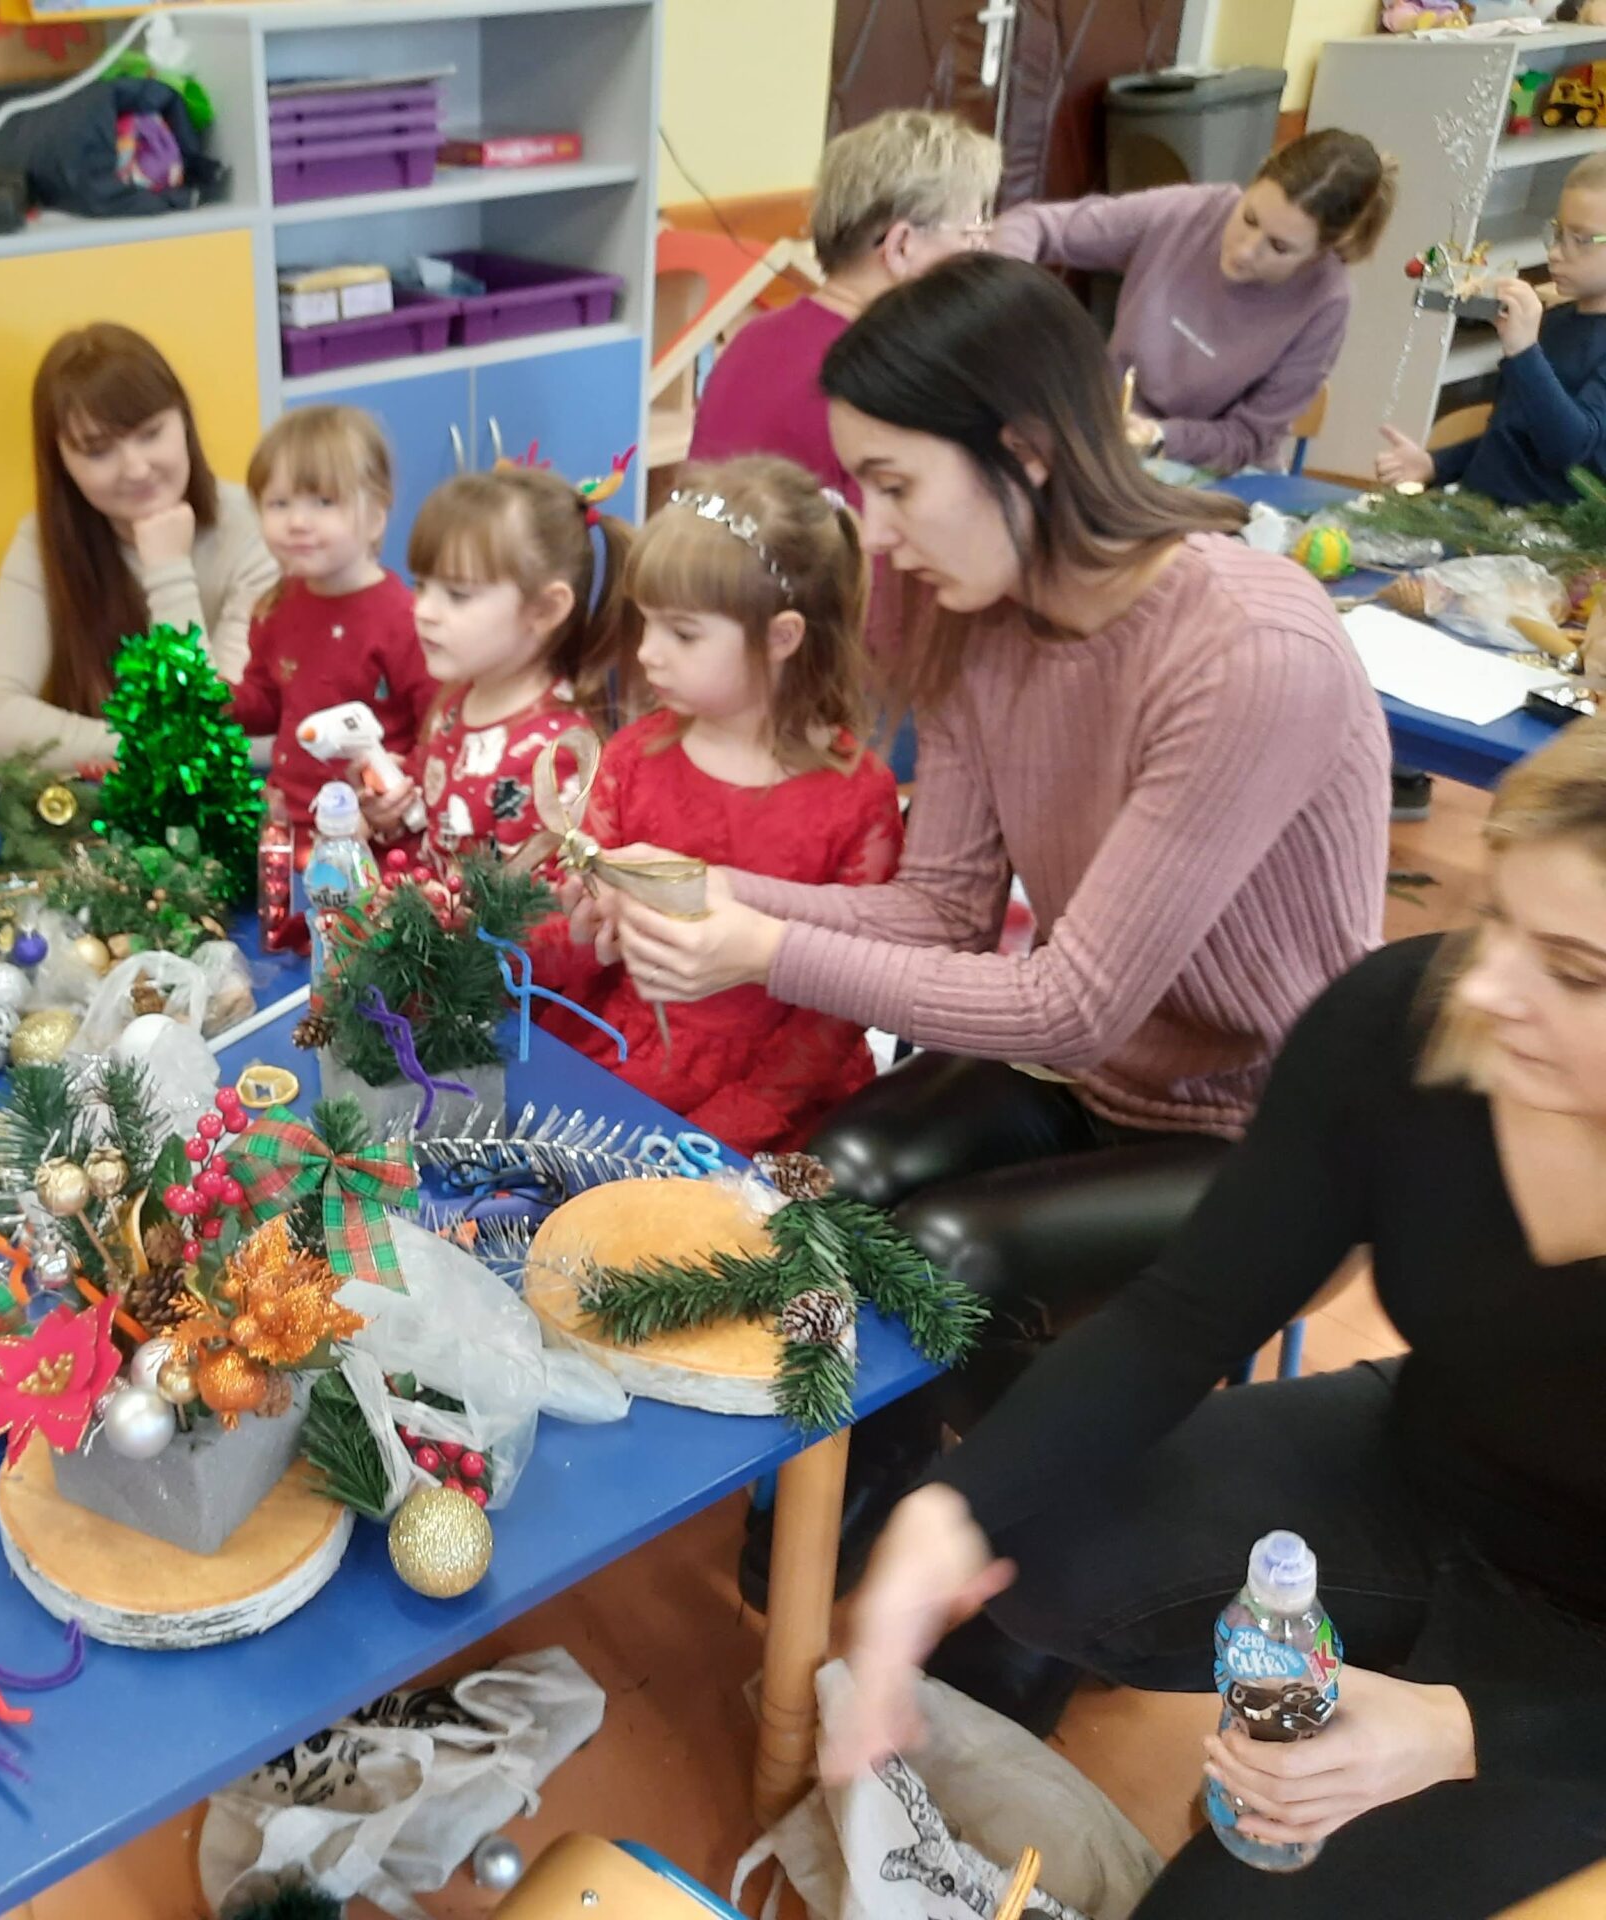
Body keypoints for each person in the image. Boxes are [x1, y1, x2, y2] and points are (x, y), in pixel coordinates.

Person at [587, 255, 1390, 1584]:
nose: (876, 533)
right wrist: (712, 886)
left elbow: (1074, 1003)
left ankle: (1044, 1570)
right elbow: (946, 909)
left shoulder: (1248, 654)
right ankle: (869, 1484)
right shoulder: (971, 612)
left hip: (1272, 1128)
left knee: (954, 1255)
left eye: (895, 485)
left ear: (1023, 451)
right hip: (1093, 1076)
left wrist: (762, 946)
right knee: (836, 1173)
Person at [831, 715, 1606, 1919]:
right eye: (1497, 916)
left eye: (1577, 971)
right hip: (1427, 1466)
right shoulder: (1403, 1021)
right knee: (1043, 1543)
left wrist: (1464, 1731)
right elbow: (1185, 1310)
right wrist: (952, 1508)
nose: (1488, 986)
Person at [532, 458, 902, 1155]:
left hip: (779, 1098)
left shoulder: (859, 797)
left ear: (782, 637)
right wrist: (571, 923)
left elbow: (834, 1012)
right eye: (646, 624)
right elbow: (568, 949)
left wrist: (727, 1125)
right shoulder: (633, 757)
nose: (647, 653)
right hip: (628, 1055)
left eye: (683, 633)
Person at [0, 323, 276, 773]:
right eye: (98, 451)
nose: (136, 468)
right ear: (62, 463)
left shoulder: (258, 528)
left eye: (150, 433)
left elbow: (214, 722)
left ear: (184, 422)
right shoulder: (42, 542)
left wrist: (168, 570)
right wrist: (146, 748)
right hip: (107, 793)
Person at [996, 128, 1396, 476]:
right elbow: (1032, 223)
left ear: (1320, 252)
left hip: (1216, 474)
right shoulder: (1189, 213)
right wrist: (1002, 301)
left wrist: (1159, 436)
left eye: (1279, 247)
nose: (1245, 250)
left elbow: (1247, 438)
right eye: (1249, 218)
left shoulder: (1327, 301)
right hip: (1107, 441)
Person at [690, 108, 1003, 498]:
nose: (980, 254)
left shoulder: (753, 337)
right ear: (901, 246)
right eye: (972, 234)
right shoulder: (886, 378)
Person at [364, 466, 636, 870]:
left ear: (544, 610)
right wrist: (392, 814)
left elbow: (531, 905)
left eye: (458, 594)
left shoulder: (553, 757)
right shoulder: (457, 699)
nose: (423, 611)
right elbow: (433, 825)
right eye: (421, 585)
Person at [230, 406, 436, 830]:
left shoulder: (406, 620)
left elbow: (438, 733)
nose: (297, 522)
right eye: (278, 503)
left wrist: (395, 799)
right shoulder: (275, 606)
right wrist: (209, 698)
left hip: (377, 837)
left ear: (375, 516)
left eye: (324, 502)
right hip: (289, 824)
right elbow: (268, 704)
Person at [1377, 151, 1606, 506]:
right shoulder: (1558, 322)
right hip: (1475, 508)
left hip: (1541, 531)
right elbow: (1511, 438)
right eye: (1558, 233)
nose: (1556, 253)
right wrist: (1435, 465)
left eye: (1582, 239)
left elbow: (1570, 451)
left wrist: (1525, 352)